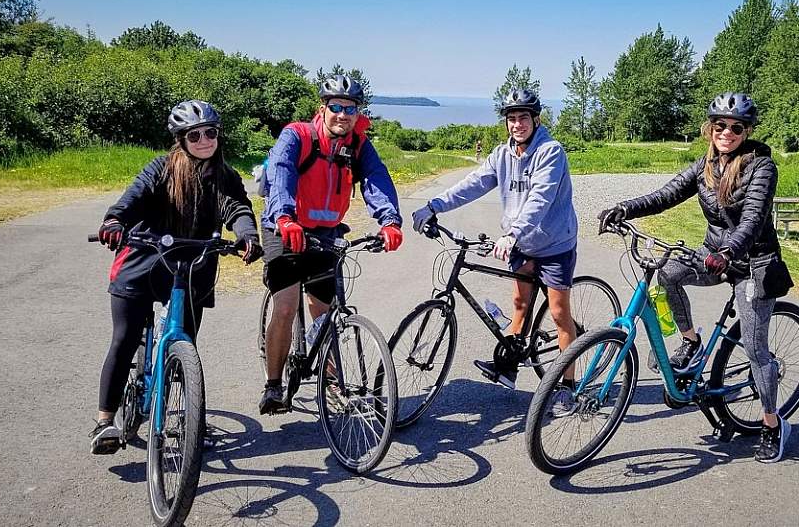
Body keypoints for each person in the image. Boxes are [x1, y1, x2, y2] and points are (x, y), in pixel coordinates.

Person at [598, 92, 791, 462]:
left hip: (751, 262)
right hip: (714, 254)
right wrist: (624, 209)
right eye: (720, 126)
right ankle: (691, 341)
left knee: (755, 349)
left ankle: (771, 425)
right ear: (710, 128)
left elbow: (752, 220)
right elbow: (666, 194)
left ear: (747, 131)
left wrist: (728, 252)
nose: (727, 132)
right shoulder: (705, 165)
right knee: (668, 272)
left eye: (736, 127)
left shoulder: (761, 167)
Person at [90, 100, 262, 454]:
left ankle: (187, 416)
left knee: (185, 344)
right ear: (180, 139)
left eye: (210, 133)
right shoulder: (162, 168)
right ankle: (105, 422)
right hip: (144, 260)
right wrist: (114, 221)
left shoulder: (225, 176)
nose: (203, 140)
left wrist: (248, 235)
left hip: (192, 268)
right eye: (194, 135)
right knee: (124, 340)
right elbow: (132, 198)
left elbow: (238, 208)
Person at [411, 89, 578, 394]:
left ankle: (568, 387)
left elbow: (540, 199)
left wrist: (513, 232)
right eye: (511, 119)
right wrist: (433, 205)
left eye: (523, 118)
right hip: (522, 244)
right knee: (519, 304)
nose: (517, 124)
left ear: (536, 120)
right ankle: (509, 368)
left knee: (558, 313)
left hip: (554, 243)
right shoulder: (502, 155)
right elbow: (473, 184)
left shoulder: (550, 152)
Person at [258, 75, 404, 415]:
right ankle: (274, 386)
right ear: (322, 108)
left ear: (357, 113)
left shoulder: (358, 145)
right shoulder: (298, 136)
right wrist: (284, 217)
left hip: (325, 233)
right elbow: (281, 173)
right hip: (284, 228)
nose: (343, 115)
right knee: (285, 305)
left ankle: (332, 382)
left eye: (350, 109)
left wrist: (389, 220)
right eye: (336, 107)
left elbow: (376, 178)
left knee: (325, 312)